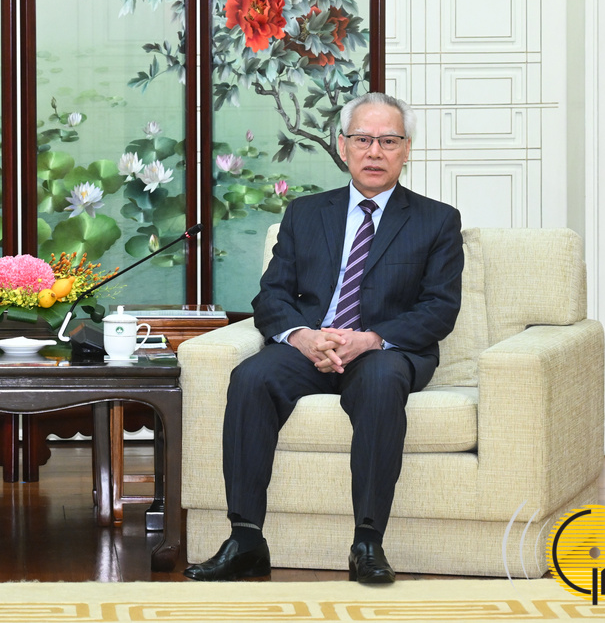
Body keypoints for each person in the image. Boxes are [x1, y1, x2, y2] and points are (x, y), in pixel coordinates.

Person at [184, 92, 463, 585]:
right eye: (362, 139)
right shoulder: (305, 213)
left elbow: (439, 308)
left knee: (379, 384)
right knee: (250, 377)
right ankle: (245, 540)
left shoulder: (436, 220)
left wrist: (370, 339)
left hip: (382, 350)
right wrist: (302, 337)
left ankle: (367, 542)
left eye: (388, 141)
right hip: (311, 346)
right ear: (342, 145)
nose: (374, 151)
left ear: (407, 149)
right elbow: (272, 295)